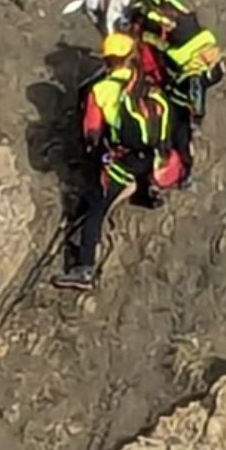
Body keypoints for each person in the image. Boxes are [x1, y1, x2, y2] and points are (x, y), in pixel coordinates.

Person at [53, 32, 185, 292]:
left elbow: (91, 133)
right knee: (133, 170)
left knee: (94, 209)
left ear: (108, 60)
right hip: (156, 159)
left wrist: (95, 157)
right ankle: (147, 189)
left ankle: (84, 270)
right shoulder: (149, 88)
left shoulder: (101, 90)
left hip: (124, 161)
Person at [124, 0, 226, 183]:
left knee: (178, 130)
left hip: (179, 90)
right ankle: (181, 166)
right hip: (181, 76)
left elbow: (197, 84)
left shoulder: (190, 65)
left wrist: (196, 113)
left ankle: (179, 168)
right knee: (181, 129)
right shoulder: (186, 24)